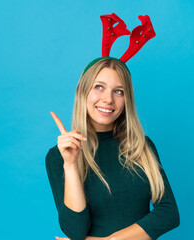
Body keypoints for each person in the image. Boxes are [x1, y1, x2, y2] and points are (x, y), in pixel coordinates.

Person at [45, 13, 180, 240]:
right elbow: (75, 232)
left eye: (118, 91)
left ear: (126, 99)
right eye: (99, 87)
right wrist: (70, 165)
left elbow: (169, 213)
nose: (108, 99)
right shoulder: (59, 156)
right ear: (83, 92)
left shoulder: (142, 147)